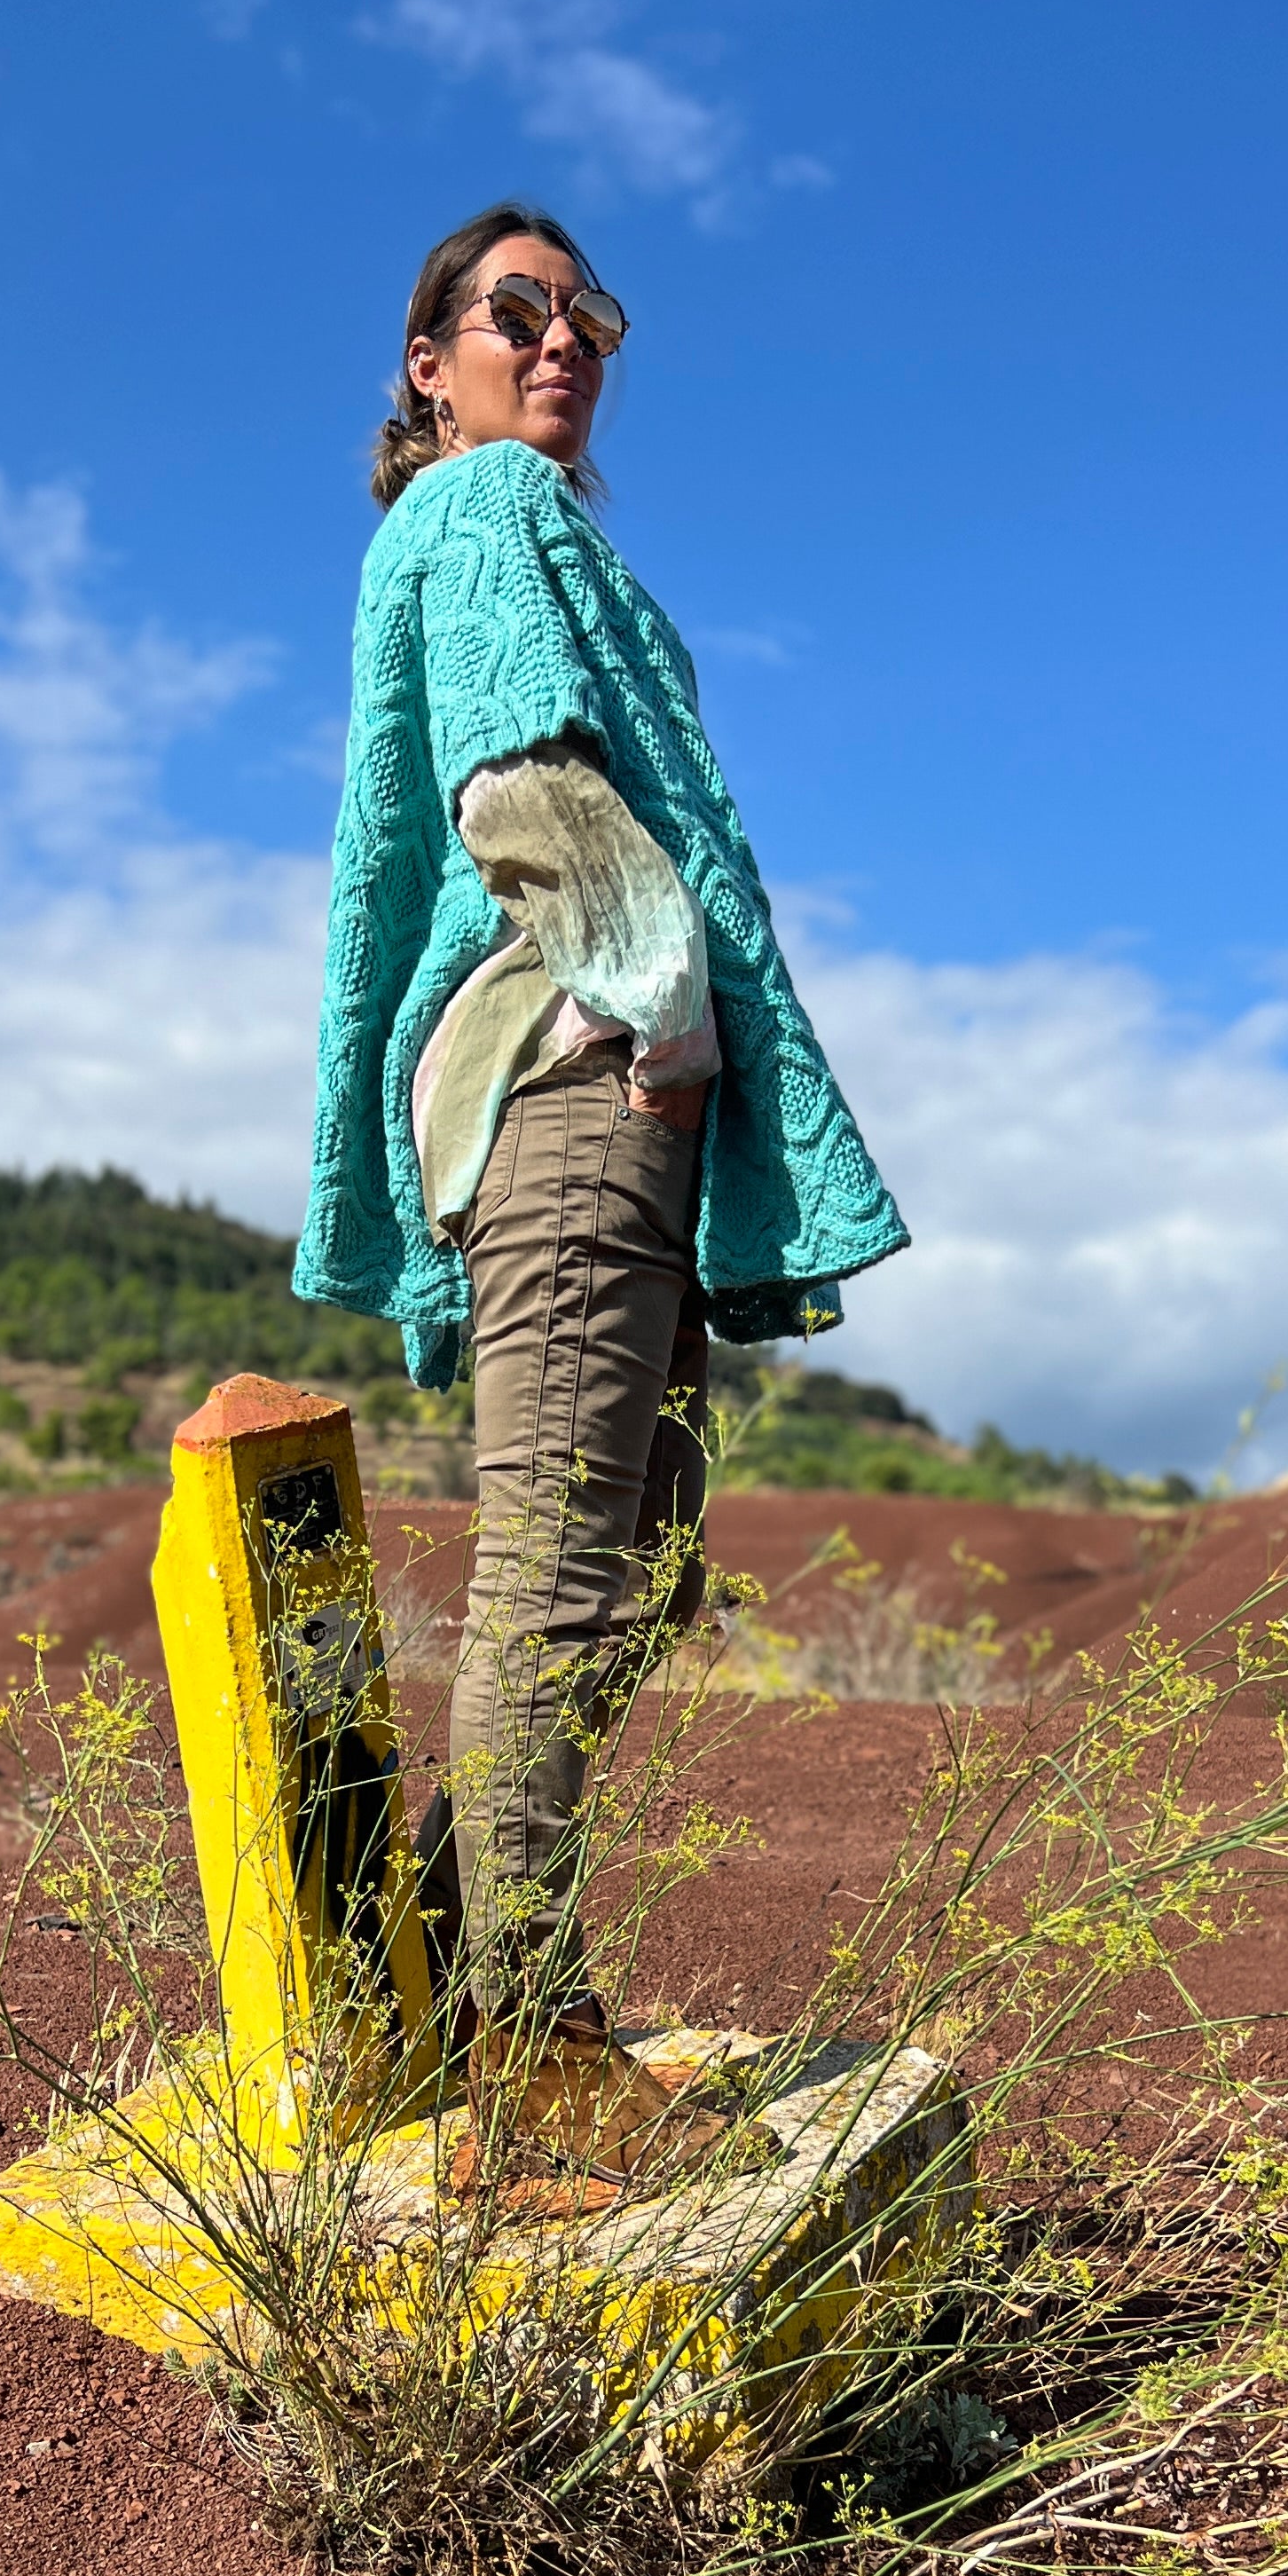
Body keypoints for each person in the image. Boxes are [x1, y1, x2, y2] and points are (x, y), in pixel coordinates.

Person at [295, 200, 907, 2182]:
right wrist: (662, 1009)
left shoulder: (513, 525)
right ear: (432, 362)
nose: (563, 341)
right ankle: (528, 2055)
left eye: (593, 317)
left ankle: (428, 1979)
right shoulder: (486, 514)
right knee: (568, 1569)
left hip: (581, 1092)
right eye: (517, 310)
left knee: (630, 1566)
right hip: (575, 1080)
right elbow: (519, 779)